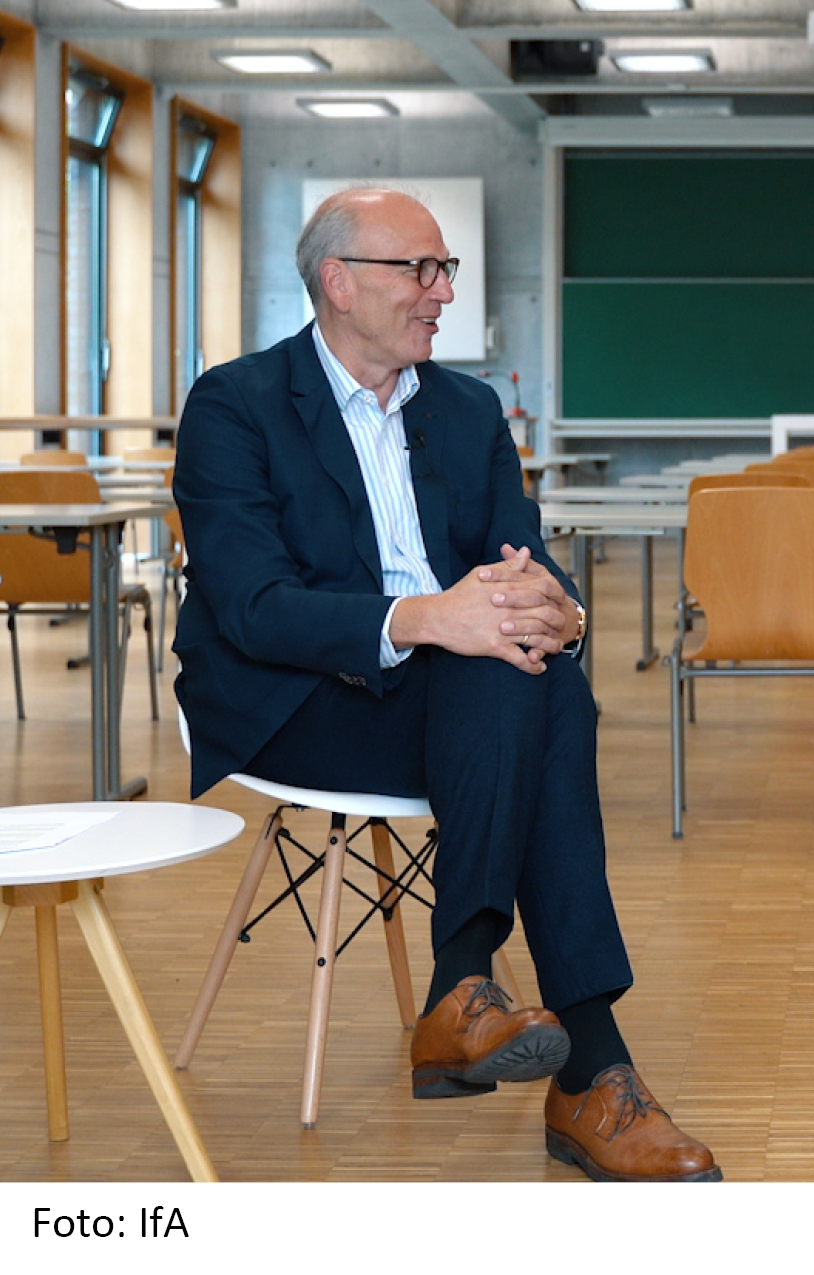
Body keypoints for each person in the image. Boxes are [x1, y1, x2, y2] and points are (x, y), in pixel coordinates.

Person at [173, 187, 720, 1183]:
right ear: (339, 282)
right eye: (419, 270)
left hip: (452, 698)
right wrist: (430, 618)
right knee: (521, 681)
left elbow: (524, 563)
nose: (442, 293)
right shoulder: (236, 404)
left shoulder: (466, 411)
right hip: (297, 702)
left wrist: (564, 616)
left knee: (534, 673)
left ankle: (465, 992)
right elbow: (252, 606)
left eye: (445, 270)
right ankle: (587, 1073)